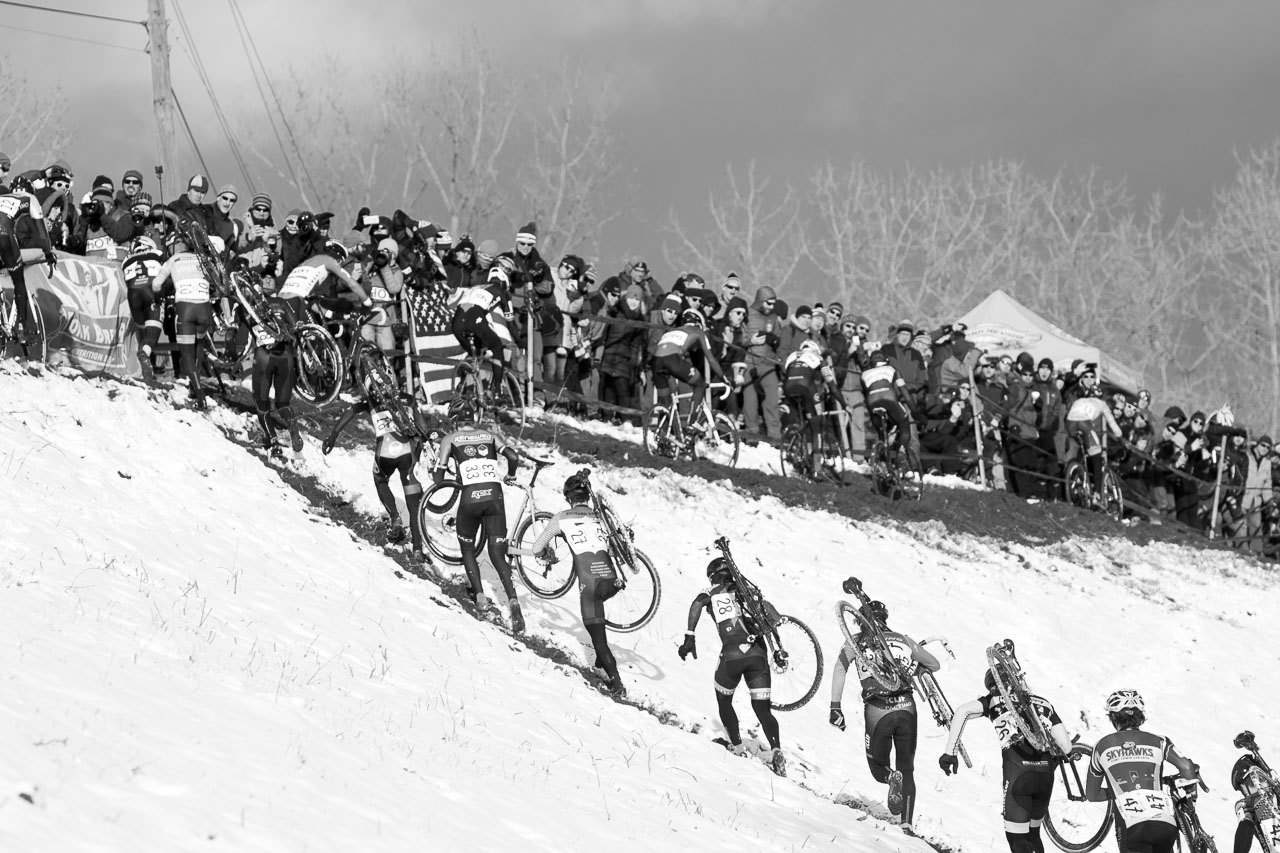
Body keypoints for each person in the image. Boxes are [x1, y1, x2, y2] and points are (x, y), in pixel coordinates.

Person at [830, 599, 939, 833]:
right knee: (907, 767)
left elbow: (840, 668)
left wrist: (835, 706)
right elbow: (935, 664)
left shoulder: (855, 641)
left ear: (860, 622)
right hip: (907, 706)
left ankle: (891, 779)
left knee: (878, 765)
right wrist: (915, 665)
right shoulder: (903, 639)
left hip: (878, 709)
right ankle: (907, 824)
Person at [939, 667, 1075, 853]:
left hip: (1018, 773)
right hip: (1045, 775)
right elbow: (1066, 747)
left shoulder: (993, 700)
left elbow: (962, 711)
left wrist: (950, 752)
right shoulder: (1044, 703)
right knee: (1033, 836)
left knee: (1017, 840)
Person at [678, 556, 786, 777]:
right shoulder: (749, 591)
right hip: (758, 655)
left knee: (724, 699)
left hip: (732, 654)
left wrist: (690, 635)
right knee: (762, 709)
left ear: (713, 576)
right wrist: (778, 650)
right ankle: (776, 750)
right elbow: (775, 619)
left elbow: (697, 603)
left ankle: (736, 746)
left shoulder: (712, 592)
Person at [322, 345, 431, 561]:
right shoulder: (408, 399)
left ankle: (394, 517)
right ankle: (417, 549)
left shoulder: (371, 401)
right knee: (413, 501)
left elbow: (350, 412)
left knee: (380, 480)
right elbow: (423, 429)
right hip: (407, 453)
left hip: (384, 452)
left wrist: (332, 436)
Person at [527, 471, 626, 696]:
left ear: (568, 497)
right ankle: (601, 666)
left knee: (599, 639)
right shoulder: (601, 517)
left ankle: (617, 683)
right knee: (599, 630)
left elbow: (536, 547)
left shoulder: (561, 518)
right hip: (611, 580)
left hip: (590, 587)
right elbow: (616, 548)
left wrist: (545, 553)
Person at [431, 416, 524, 632]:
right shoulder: (490, 435)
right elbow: (513, 455)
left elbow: (438, 479)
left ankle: (481, 598)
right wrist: (510, 474)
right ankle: (513, 601)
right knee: (497, 554)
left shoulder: (451, 439)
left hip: (470, 499)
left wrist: (435, 471)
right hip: (495, 498)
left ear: (454, 419)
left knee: (467, 548)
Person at [1084, 690, 1200, 853]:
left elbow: (1092, 795)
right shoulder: (1160, 741)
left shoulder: (1102, 746)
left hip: (1132, 825)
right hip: (1164, 823)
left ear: (1113, 717)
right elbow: (1187, 767)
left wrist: (1120, 791)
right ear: (1139, 716)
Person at [0, 175, 57, 345]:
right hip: (3, 233)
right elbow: (42, 234)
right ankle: (21, 328)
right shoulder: (31, 198)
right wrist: (48, 253)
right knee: (18, 279)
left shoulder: (2, 197)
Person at [651, 308, 725, 422]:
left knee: (667, 408)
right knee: (700, 384)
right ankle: (692, 423)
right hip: (672, 360)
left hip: (655, 362)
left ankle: (664, 434)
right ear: (699, 323)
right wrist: (723, 378)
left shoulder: (673, 330)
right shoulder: (697, 330)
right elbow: (711, 359)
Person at [783, 338, 842, 475]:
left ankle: (797, 438)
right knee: (817, 425)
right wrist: (844, 404)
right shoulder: (819, 358)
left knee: (803, 416)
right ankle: (817, 468)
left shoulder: (792, 356)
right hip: (806, 388)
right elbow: (832, 386)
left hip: (789, 388)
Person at [1065, 382, 1125, 507]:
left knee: (1083, 450)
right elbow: (1113, 425)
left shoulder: (1080, 400)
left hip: (1069, 424)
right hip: (1084, 425)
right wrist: (1121, 438)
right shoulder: (1102, 404)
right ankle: (1097, 495)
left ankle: (1078, 473)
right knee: (1097, 459)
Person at [1230, 731, 1280, 853]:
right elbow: (1245, 824)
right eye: (1248, 785)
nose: (1258, 786)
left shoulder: (1275, 790)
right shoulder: (1247, 804)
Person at [861, 349, 913, 456]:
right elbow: (905, 393)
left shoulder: (864, 374)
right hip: (890, 399)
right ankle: (901, 455)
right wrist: (916, 412)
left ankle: (883, 458)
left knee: (882, 433)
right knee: (904, 426)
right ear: (886, 360)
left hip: (873, 403)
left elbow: (866, 393)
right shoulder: (892, 369)